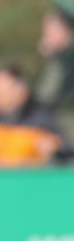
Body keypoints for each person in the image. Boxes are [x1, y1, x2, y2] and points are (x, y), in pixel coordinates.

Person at [0, 64, 66, 166]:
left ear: (21, 90)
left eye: (2, 91)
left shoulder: (42, 117)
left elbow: (65, 150)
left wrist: (55, 149)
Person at [35, 9, 74, 144]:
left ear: (65, 30)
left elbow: (45, 97)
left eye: (49, 33)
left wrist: (50, 59)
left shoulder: (63, 60)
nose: (45, 38)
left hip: (65, 127)